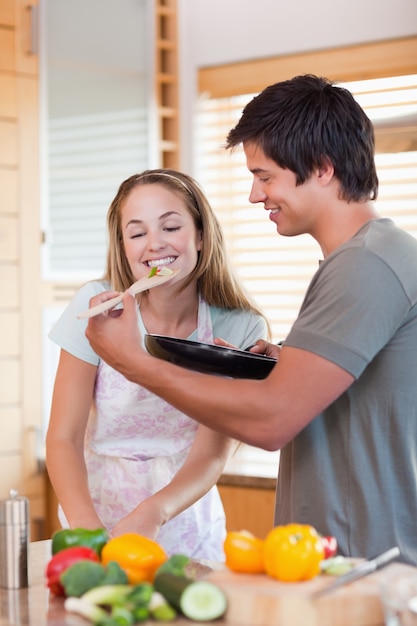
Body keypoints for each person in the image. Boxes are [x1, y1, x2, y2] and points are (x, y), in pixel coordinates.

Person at [84, 75, 417, 566]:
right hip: (342, 559)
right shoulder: (367, 258)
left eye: (265, 176)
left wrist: (135, 364)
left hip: (362, 565)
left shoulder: (365, 265)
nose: (255, 195)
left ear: (322, 169)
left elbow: (271, 422)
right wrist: (287, 361)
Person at [45, 169, 268, 560]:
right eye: (137, 233)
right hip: (93, 512)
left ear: (200, 235)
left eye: (170, 227)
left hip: (185, 522)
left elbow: (212, 454)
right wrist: (87, 530)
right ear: (123, 247)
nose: (154, 245)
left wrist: (154, 512)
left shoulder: (240, 326)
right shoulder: (95, 308)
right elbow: (62, 439)